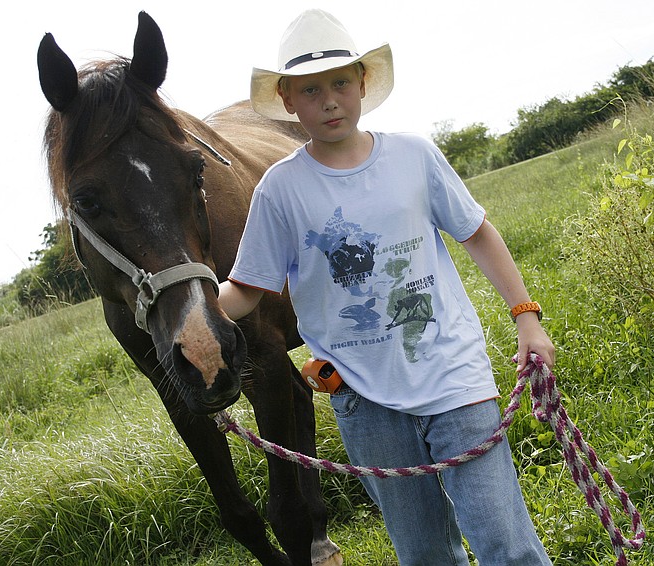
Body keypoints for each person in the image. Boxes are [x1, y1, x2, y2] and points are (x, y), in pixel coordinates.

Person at [218, 9, 555, 565]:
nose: (329, 101)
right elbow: (246, 290)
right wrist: (192, 309)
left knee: (506, 543)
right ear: (287, 99)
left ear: (362, 83)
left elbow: (477, 234)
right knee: (423, 554)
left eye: (340, 83)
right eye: (310, 90)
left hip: (454, 376)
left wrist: (526, 316)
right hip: (363, 397)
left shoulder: (414, 156)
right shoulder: (280, 190)